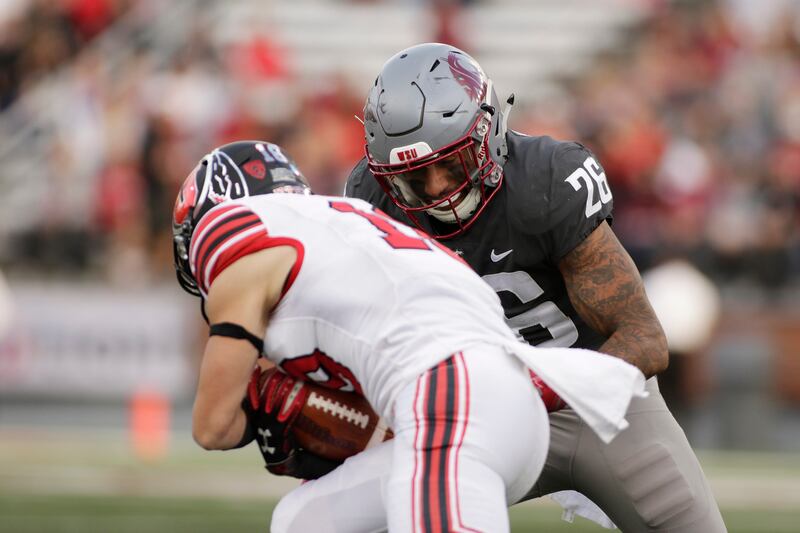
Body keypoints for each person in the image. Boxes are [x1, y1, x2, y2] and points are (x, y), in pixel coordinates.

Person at [345, 43, 726, 532]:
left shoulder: (544, 181)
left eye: (453, 164)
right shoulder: (372, 202)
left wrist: (529, 395)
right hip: (476, 420)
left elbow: (644, 339)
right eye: (415, 178)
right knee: (357, 515)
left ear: (488, 133)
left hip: (599, 405)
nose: (439, 188)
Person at [172, 140, 646, 532]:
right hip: (502, 399)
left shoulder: (231, 231)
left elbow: (212, 426)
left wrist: (273, 406)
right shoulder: (349, 222)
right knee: (302, 521)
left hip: (453, 396)